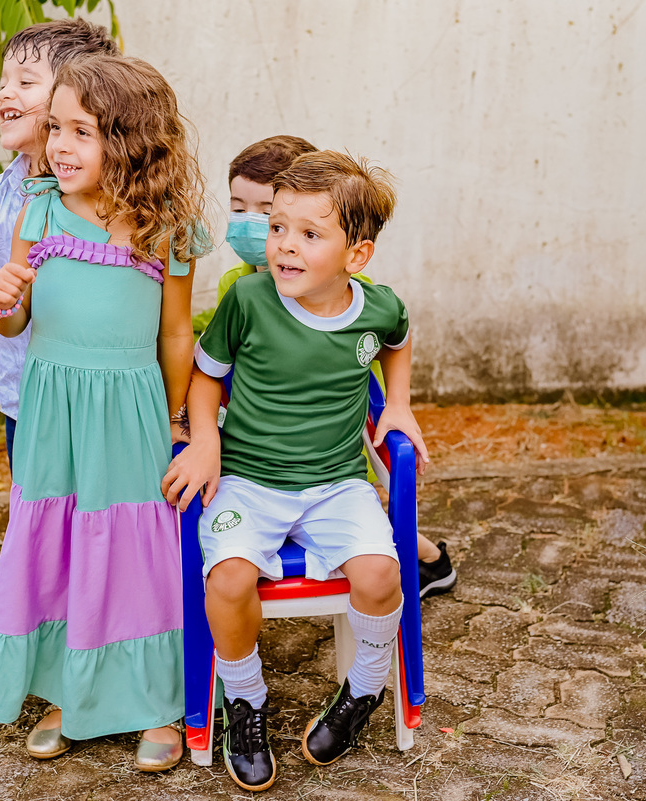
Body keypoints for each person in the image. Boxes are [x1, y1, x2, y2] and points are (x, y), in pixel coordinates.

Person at [0, 53, 209, 772]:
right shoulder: (36, 209)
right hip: (53, 409)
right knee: (62, 544)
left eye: (83, 131)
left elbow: (175, 332)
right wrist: (6, 300)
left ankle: (153, 696)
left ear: (131, 143)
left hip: (131, 408)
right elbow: (13, 324)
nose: (60, 146)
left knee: (134, 549)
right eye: (57, 129)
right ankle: (67, 689)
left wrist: (177, 418)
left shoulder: (164, 226)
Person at [164, 151, 428, 791]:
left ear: (355, 256)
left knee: (380, 574)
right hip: (249, 482)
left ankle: (363, 689)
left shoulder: (376, 308)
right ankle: (245, 701)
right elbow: (207, 377)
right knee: (227, 580)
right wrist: (203, 440)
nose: (283, 246)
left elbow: (399, 338)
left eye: (309, 234)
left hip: (337, 484)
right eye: (278, 228)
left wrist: (398, 405)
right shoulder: (250, 300)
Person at [220, 136, 457, 600]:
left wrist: (397, 403)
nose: (258, 228)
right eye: (239, 209)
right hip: (261, 454)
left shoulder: (352, 290)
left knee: (359, 536)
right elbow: (216, 357)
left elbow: (386, 335)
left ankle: (425, 558)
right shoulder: (241, 287)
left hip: (332, 456)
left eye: (263, 210)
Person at [0, 20, 119, 470]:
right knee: (38, 518)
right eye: (3, 82)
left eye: (24, 82)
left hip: (110, 397)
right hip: (29, 399)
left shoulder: (118, 201)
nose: (4, 93)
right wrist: (2, 294)